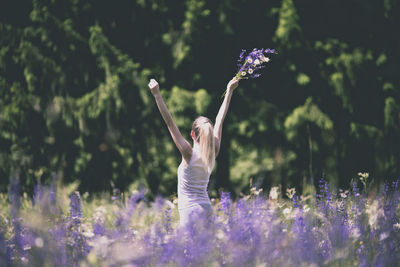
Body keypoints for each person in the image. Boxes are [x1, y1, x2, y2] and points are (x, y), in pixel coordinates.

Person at [148, 77, 239, 226]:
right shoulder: (214, 151)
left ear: (192, 134)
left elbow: (169, 122)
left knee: (189, 249)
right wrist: (229, 91)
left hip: (190, 212)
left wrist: (157, 95)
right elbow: (219, 120)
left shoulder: (188, 153)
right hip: (207, 209)